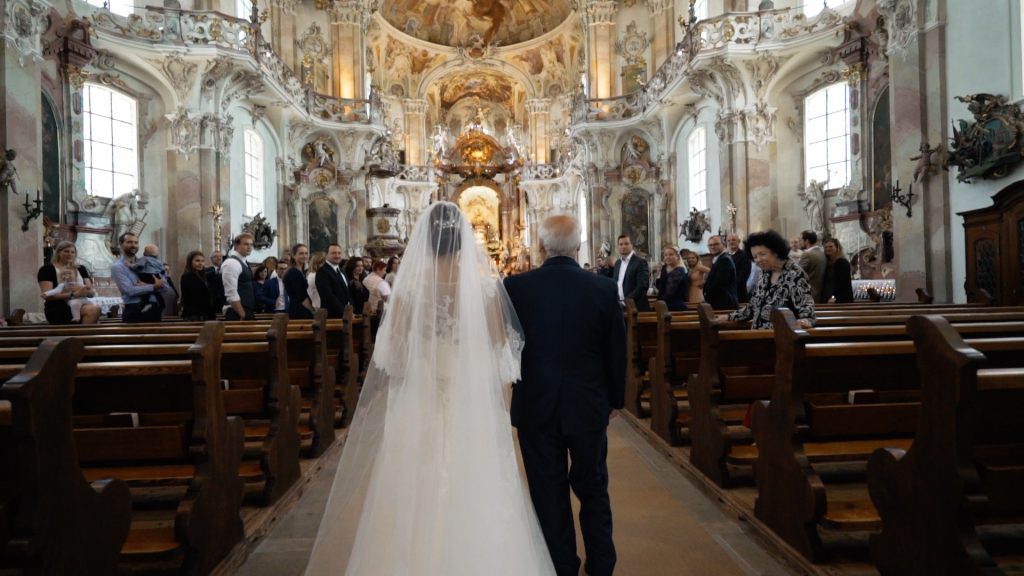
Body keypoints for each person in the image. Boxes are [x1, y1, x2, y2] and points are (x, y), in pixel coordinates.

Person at [304, 202, 555, 575]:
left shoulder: (411, 289)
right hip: (469, 401)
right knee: (476, 481)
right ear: (465, 240)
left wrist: (426, 362)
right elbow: (504, 352)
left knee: (416, 481)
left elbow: (393, 356)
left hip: (421, 398)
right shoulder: (485, 288)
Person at [504, 214, 625, 576]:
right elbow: (615, 351)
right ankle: (602, 565)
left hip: (535, 405)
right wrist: (615, 400)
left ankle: (561, 566)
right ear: (578, 244)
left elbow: (508, 347)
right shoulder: (602, 288)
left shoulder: (515, 287)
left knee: (547, 491)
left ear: (542, 245)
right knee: (593, 487)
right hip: (587, 404)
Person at [725, 230, 816, 330]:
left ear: (776, 252)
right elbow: (753, 307)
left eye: (762, 254)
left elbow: (807, 313)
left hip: (780, 339)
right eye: (755, 256)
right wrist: (729, 317)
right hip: (758, 337)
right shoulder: (765, 273)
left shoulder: (795, 274)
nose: (758, 260)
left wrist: (801, 322)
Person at [38, 241, 100, 324]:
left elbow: (91, 292)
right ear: (58, 253)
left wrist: (84, 290)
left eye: (72, 252)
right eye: (66, 251)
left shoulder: (81, 268)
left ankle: (83, 335)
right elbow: (47, 295)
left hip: (81, 303)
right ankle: (83, 336)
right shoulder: (47, 269)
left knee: (96, 308)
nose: (70, 254)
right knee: (93, 309)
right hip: (58, 308)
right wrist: (73, 294)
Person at [111, 232, 167, 323]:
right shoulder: (118, 267)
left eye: (136, 242)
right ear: (121, 244)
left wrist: (155, 284)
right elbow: (129, 291)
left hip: (154, 308)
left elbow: (165, 287)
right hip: (134, 309)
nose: (133, 245)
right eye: (129, 242)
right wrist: (154, 286)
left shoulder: (148, 262)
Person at [221, 233, 256, 320]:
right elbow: (231, 292)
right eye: (246, 244)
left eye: (251, 244)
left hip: (246, 309)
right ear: (236, 245)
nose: (249, 247)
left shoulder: (243, 261)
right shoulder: (232, 263)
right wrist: (242, 314)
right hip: (236, 312)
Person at [612, 234, 650, 311]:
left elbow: (642, 286)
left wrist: (626, 301)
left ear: (632, 245)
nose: (623, 246)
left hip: (636, 307)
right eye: (621, 244)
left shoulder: (640, 262)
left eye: (626, 244)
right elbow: (616, 283)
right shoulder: (617, 263)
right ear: (618, 246)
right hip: (619, 306)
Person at [703, 235, 738, 310]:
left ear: (723, 245)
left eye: (716, 244)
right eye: (710, 245)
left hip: (724, 302)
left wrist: (706, 294)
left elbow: (719, 283)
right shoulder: (719, 258)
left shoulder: (725, 260)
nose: (712, 247)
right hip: (719, 301)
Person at [316, 243, 350, 318]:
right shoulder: (322, 271)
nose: (337, 256)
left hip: (347, 314)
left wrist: (350, 309)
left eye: (339, 253)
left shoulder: (341, 270)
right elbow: (328, 296)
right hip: (333, 315)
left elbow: (347, 291)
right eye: (333, 253)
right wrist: (343, 311)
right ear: (326, 255)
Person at [180, 251, 216, 321]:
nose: (200, 263)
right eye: (197, 261)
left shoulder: (204, 276)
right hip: (194, 315)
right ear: (190, 262)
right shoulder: (187, 276)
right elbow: (191, 298)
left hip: (207, 314)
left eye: (202, 261)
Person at [284, 243, 315, 319]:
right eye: (301, 253)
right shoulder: (294, 272)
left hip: (301, 308)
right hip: (299, 310)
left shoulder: (300, 271)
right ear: (294, 256)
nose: (304, 256)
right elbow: (301, 297)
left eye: (306, 253)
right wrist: (312, 311)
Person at [655, 245, 689, 311]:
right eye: (665, 255)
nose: (668, 257)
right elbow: (660, 286)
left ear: (677, 256)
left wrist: (658, 304)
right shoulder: (665, 268)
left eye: (671, 254)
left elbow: (669, 292)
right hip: (663, 304)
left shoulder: (679, 270)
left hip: (674, 306)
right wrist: (659, 275)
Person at [798, 229, 827, 303]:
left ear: (807, 241)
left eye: (801, 240)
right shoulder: (821, 253)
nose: (799, 242)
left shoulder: (807, 254)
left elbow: (796, 273)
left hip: (808, 295)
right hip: (819, 293)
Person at [823, 237, 854, 303]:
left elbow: (842, 283)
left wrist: (834, 297)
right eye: (826, 247)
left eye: (830, 246)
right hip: (830, 296)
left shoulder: (841, 262)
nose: (828, 249)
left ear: (837, 248)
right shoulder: (828, 262)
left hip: (840, 298)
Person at [727, 233, 753, 303]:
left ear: (739, 241)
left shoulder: (744, 255)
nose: (731, 242)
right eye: (729, 240)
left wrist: (729, 287)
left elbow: (744, 275)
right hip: (726, 294)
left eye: (733, 240)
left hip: (739, 293)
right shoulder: (725, 256)